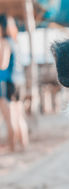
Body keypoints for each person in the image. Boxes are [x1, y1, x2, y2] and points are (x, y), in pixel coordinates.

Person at [0, 14, 29, 151]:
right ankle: (24, 145)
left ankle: (12, 147)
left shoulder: (4, 42)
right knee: (19, 116)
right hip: (19, 81)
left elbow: (2, 65)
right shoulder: (15, 42)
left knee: (9, 117)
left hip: (8, 82)